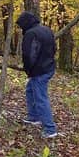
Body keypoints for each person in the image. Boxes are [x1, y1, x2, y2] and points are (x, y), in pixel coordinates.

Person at [16, 11, 58, 139]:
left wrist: (29, 70)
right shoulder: (46, 30)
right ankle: (33, 117)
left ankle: (50, 129)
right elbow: (54, 48)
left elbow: (29, 55)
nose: (20, 28)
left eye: (21, 26)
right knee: (30, 90)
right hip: (49, 67)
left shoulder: (30, 34)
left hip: (39, 70)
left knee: (41, 98)